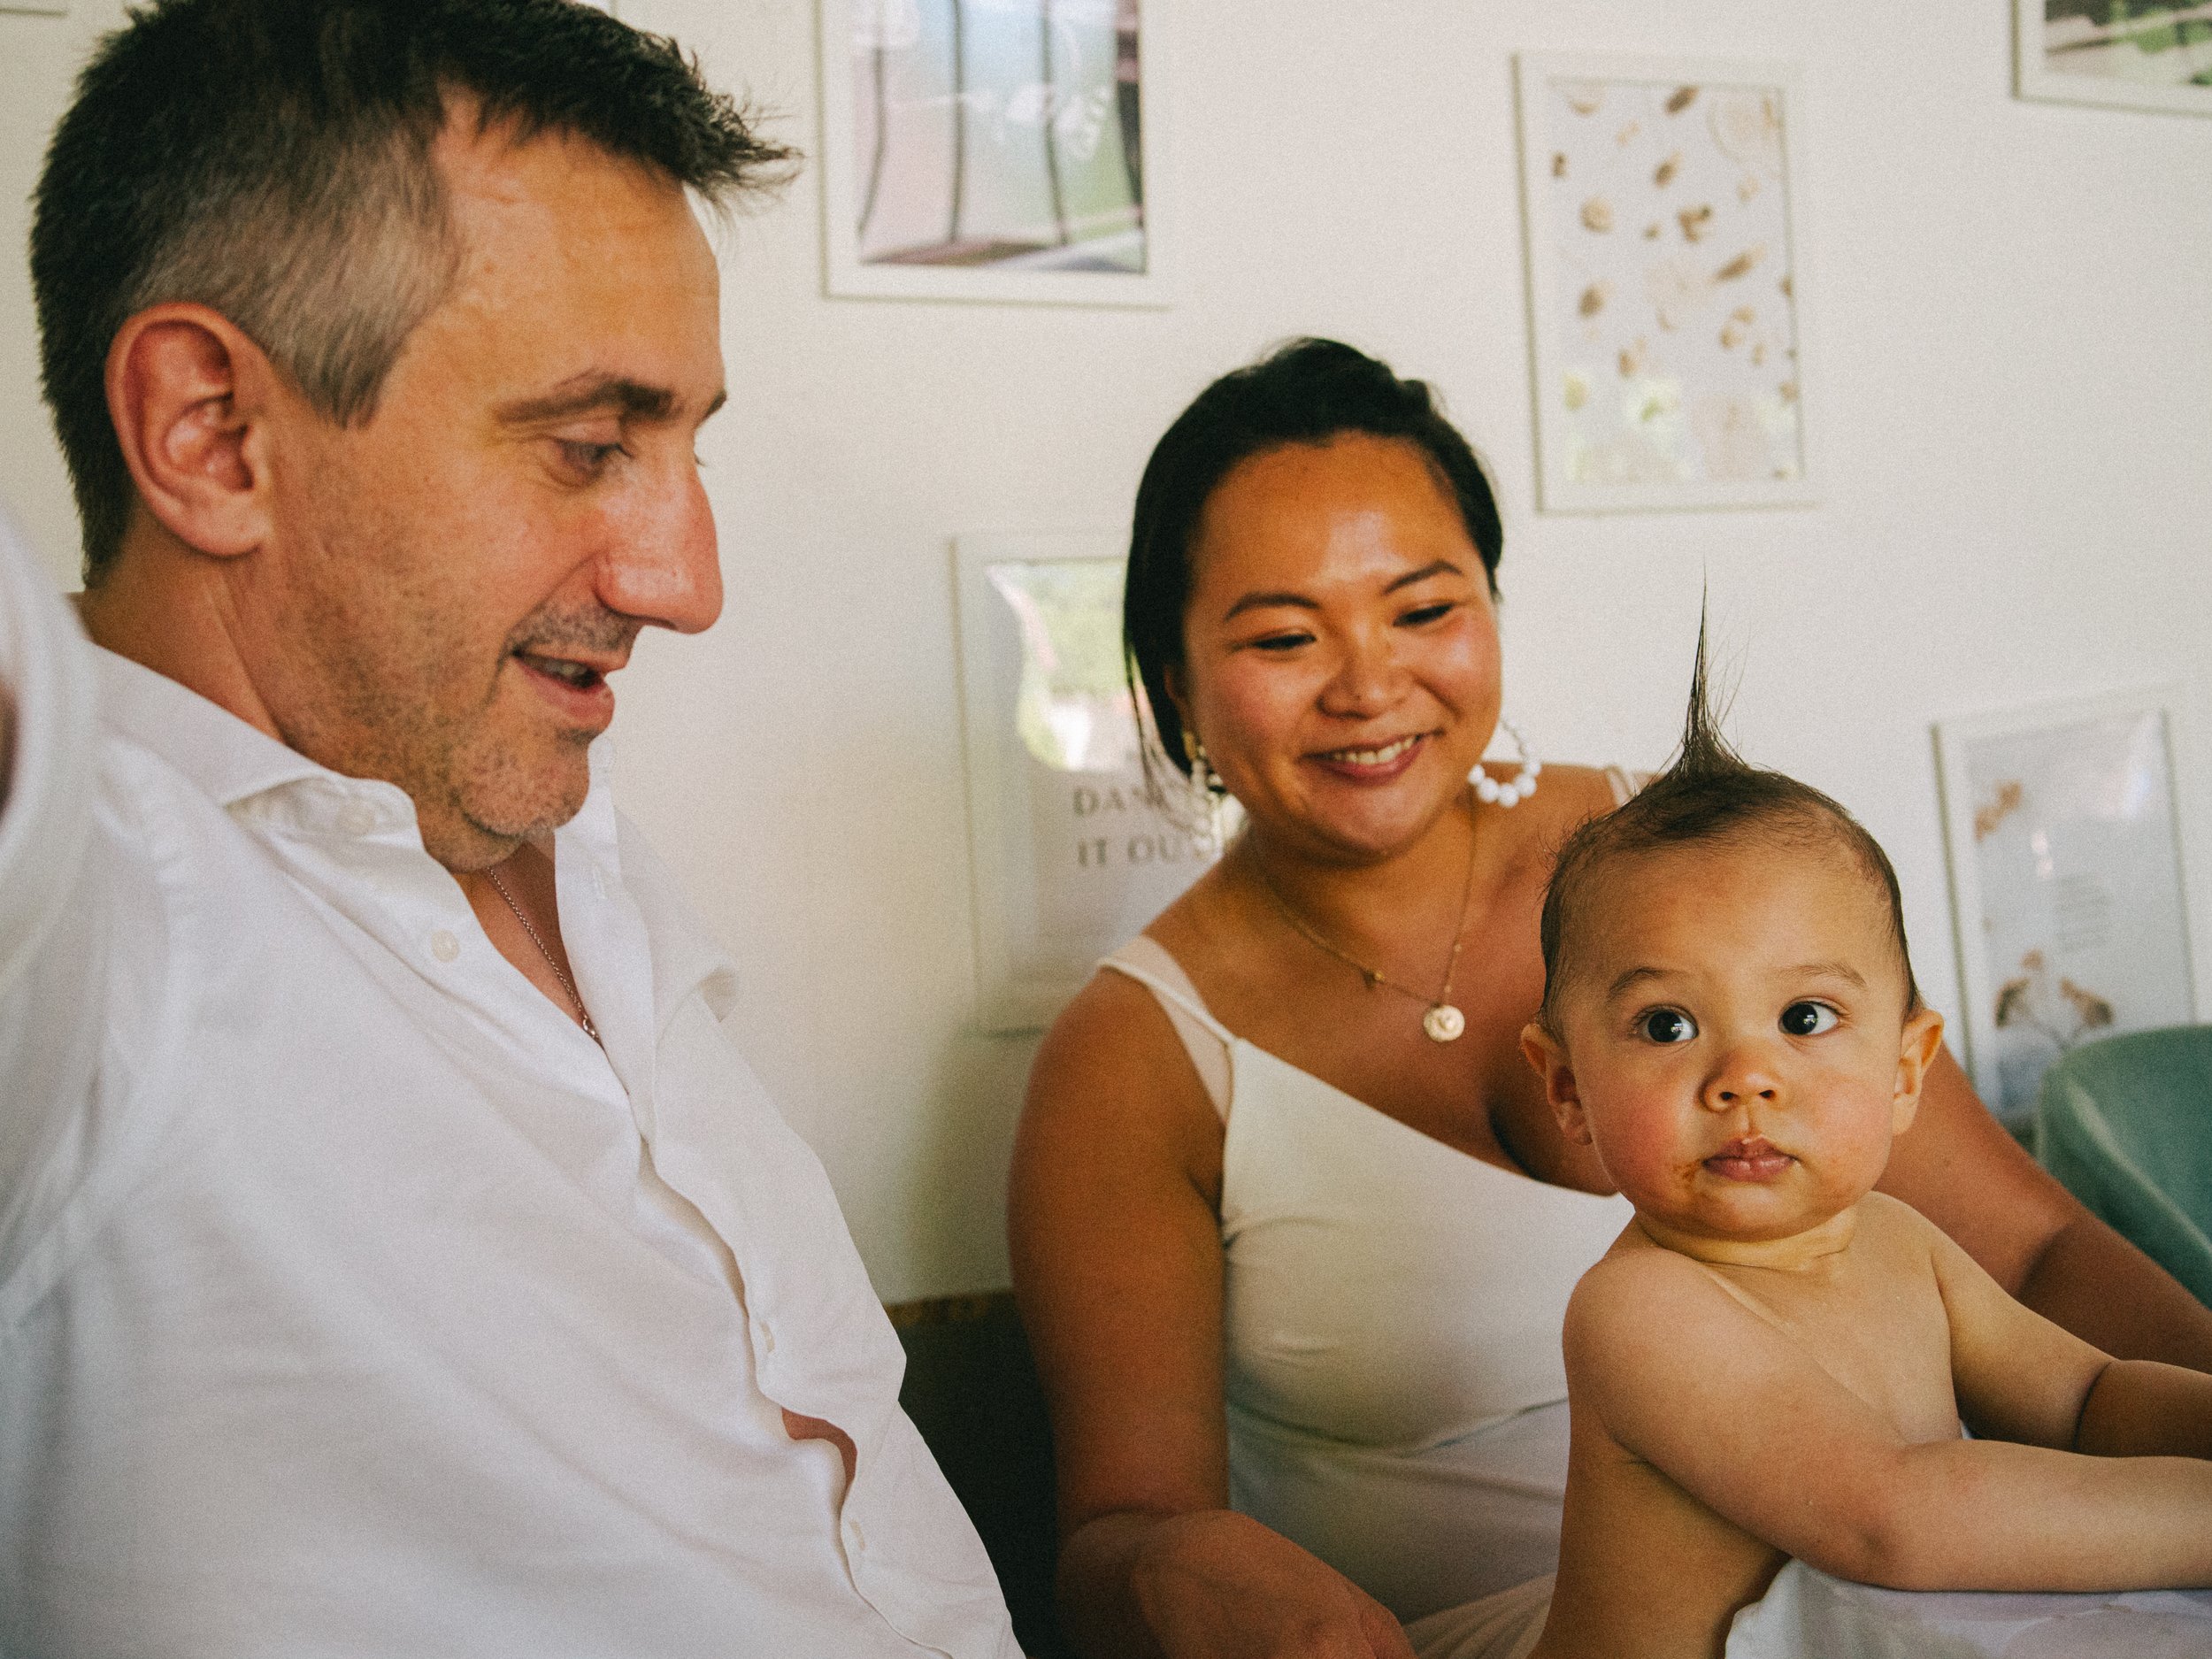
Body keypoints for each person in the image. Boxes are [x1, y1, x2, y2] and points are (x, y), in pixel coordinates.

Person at [0, 4, 1017, 1655]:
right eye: (589, 447)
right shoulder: (92, 920)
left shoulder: (539, 812)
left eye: (683, 448)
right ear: (209, 434)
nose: (688, 584)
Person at [1007, 337, 2212, 1659]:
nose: (1367, 683)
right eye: (1287, 635)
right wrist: (1180, 1565)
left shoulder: (1699, 876)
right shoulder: (1133, 1052)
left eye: (1422, 608)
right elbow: (1115, 1533)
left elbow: (2035, 1260)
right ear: (1172, 679)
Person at [1511, 646, 2212, 1659]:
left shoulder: (1900, 1244)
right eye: (1666, 1026)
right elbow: (1891, 1515)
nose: (1744, 1077)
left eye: (1804, 1015)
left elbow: (2087, 1397)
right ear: (1567, 1087)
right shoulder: (1641, 1309)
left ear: (1904, 1066)